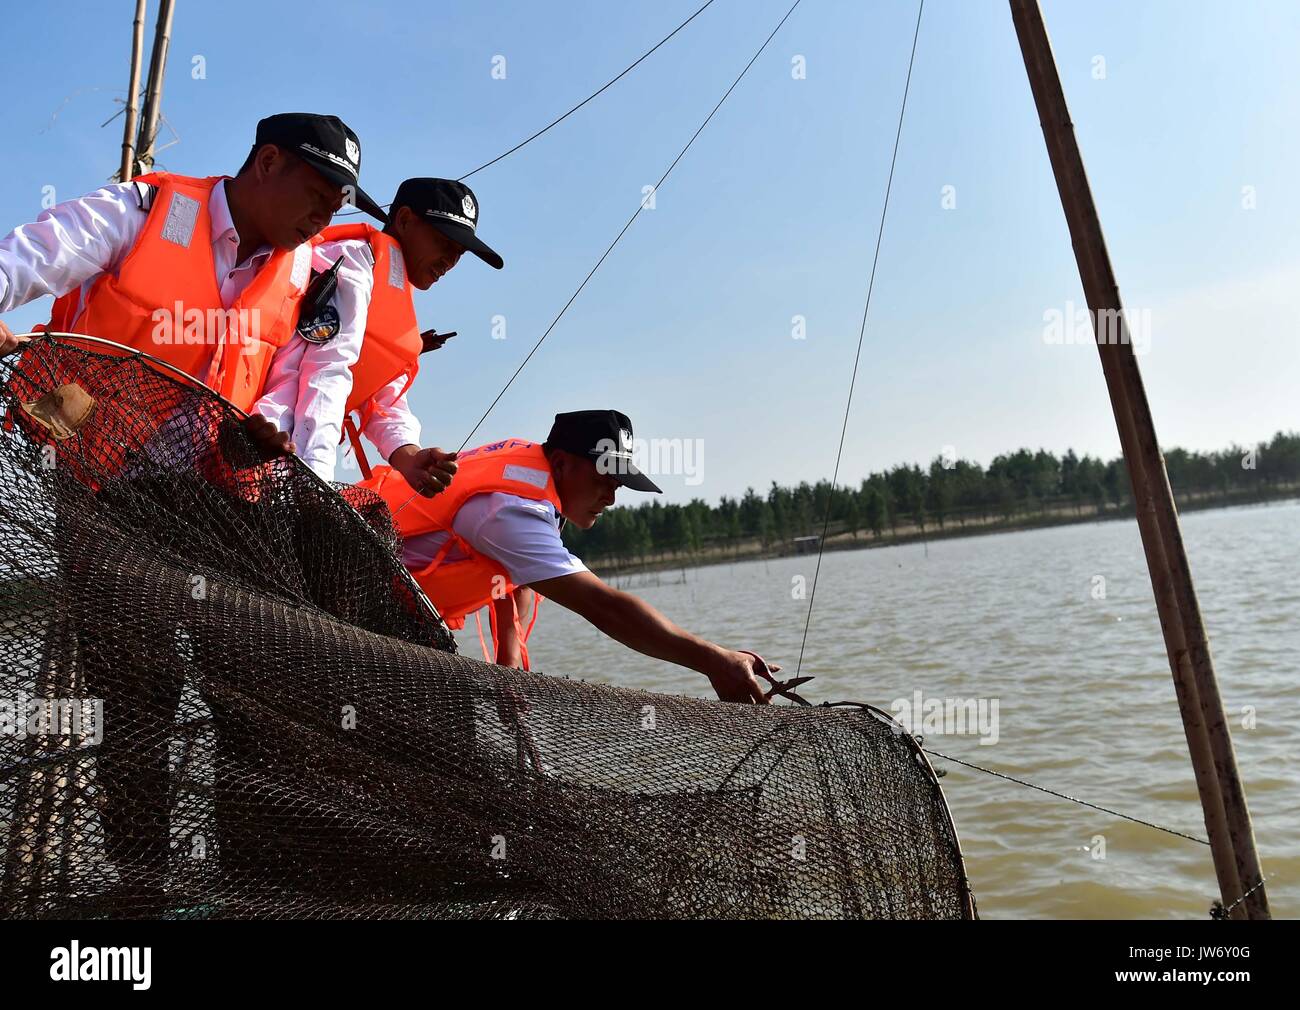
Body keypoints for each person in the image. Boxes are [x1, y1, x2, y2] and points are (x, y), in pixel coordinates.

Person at [0, 112, 385, 457]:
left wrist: (270, 421)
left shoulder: (302, 270)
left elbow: (286, 377)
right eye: (317, 196)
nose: (322, 219)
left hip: (201, 497)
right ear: (268, 162)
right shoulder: (144, 209)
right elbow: (33, 254)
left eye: (335, 209)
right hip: (89, 459)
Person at [363, 409, 774, 704]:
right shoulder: (510, 508)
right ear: (561, 463)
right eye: (602, 480)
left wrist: (509, 666)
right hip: (341, 589)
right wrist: (714, 660)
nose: (611, 498)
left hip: (385, 611)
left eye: (619, 484)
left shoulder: (535, 485)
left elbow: (514, 579)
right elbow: (605, 607)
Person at [255, 177, 502, 494]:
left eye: (460, 253)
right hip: (258, 443)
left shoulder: (395, 292)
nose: (450, 262)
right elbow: (325, 375)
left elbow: (383, 399)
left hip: (281, 459)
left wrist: (409, 455)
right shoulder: (349, 264)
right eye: (445, 243)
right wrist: (315, 485)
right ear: (404, 220)